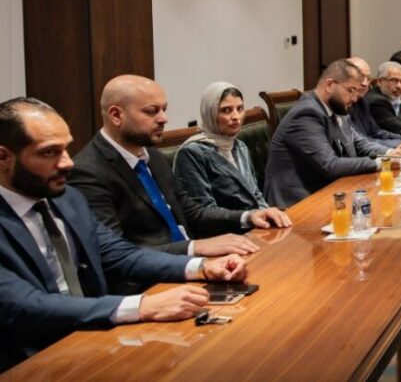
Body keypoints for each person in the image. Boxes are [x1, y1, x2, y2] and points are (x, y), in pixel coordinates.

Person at [0, 97, 248, 371]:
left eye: (66, 149)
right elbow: (23, 306)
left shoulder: (67, 198)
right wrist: (141, 306)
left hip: (94, 335)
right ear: (3, 157)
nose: (67, 163)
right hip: (29, 359)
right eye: (49, 153)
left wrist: (201, 267)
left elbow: (119, 254)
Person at [69, 76, 261, 275]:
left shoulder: (152, 155)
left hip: (192, 264)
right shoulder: (88, 172)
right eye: (151, 111)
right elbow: (116, 254)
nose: (163, 118)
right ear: (116, 115)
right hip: (149, 281)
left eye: (164, 109)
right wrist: (194, 248)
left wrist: (249, 217)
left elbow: (191, 212)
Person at [264, 60, 395, 208]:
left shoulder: (337, 107)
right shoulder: (307, 114)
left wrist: (392, 153)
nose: (354, 98)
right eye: (351, 90)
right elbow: (330, 165)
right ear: (329, 85)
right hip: (297, 202)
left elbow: (359, 142)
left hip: (329, 189)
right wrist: (383, 162)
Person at [173, 82, 292, 225]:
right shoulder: (192, 153)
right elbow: (203, 212)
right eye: (226, 110)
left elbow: (255, 194)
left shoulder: (239, 146)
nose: (236, 116)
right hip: (226, 231)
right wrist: (249, 217)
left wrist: (268, 214)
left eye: (240, 108)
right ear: (210, 113)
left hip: (255, 224)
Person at [346, 57, 401, 148]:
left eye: (368, 78)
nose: (365, 83)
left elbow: (375, 131)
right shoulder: (341, 105)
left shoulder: (362, 101)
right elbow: (362, 142)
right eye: (360, 77)